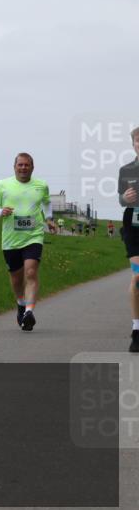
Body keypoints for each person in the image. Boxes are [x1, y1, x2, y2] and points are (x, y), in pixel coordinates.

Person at [0, 153, 55, 331]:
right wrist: (0, 211)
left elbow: (47, 203)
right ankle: (20, 303)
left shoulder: (41, 185)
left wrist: (48, 219)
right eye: (20, 165)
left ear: (32, 167)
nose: (23, 168)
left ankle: (29, 312)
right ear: (14, 167)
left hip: (34, 235)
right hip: (11, 239)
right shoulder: (3, 185)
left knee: (31, 272)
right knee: (16, 279)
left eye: (27, 165)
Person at [118, 126, 139, 353]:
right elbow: (121, 200)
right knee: (138, 275)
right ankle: (136, 330)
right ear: (133, 144)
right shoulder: (126, 170)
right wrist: (124, 197)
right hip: (134, 229)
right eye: (138, 141)